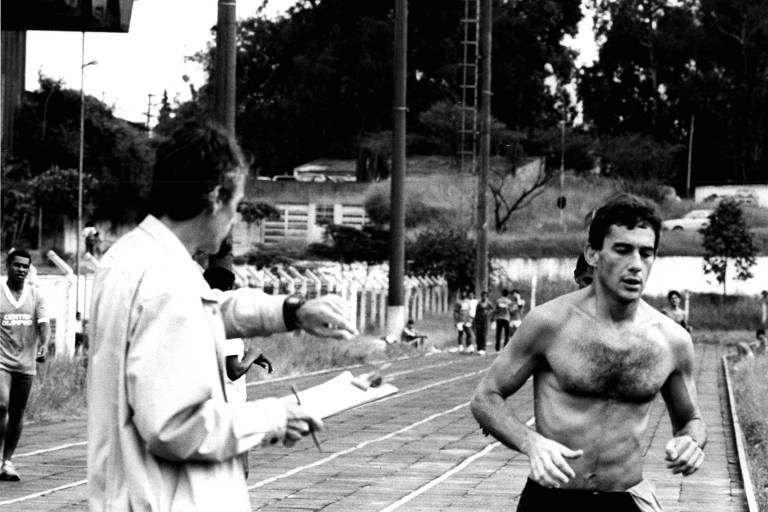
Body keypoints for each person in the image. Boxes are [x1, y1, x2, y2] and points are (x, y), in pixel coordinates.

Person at [87, 121, 358, 511]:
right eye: (236, 205)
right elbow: (175, 427)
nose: (234, 218)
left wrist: (290, 311)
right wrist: (274, 417)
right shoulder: (167, 282)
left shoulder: (131, 258)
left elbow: (204, 312)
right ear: (215, 197)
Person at [471, 194, 706, 511]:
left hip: (626, 498)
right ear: (593, 254)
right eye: (622, 250)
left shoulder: (672, 340)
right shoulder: (550, 323)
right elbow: (486, 397)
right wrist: (531, 443)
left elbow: (691, 419)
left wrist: (691, 442)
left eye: (646, 253)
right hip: (552, 498)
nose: (636, 265)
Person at [0, 249, 51, 481]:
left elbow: (43, 325)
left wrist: (44, 344)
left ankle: (7, 460)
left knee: (17, 412)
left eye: (25, 266)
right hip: (2, 361)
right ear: (7, 266)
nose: (21, 270)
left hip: (25, 363)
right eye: (17, 265)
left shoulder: (35, 294)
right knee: (1, 406)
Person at [472, 291, 494, 356]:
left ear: (486, 296)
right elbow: (476, 312)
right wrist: (474, 321)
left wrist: (488, 313)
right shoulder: (479, 303)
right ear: (481, 296)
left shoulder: (488, 303)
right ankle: (479, 349)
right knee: (478, 335)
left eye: (485, 296)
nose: (484, 297)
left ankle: (483, 349)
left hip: (485, 321)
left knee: (484, 335)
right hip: (479, 321)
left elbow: (493, 310)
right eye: (483, 296)